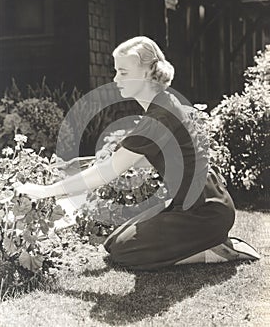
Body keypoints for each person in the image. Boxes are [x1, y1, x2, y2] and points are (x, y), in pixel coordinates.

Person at [15, 36, 260, 270]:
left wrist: (46, 191)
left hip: (204, 212)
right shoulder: (164, 104)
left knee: (125, 251)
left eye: (123, 72)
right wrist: (76, 166)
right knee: (113, 242)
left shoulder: (159, 117)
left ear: (146, 73)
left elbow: (104, 173)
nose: (116, 78)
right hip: (196, 204)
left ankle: (214, 250)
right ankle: (207, 241)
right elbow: (135, 161)